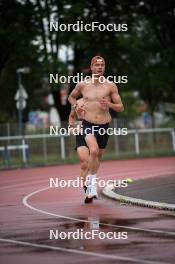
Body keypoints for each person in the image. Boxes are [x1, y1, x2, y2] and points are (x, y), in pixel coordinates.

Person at [68, 55, 124, 203]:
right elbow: (71, 97)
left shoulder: (110, 86)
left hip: (104, 126)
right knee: (92, 151)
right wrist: (76, 106)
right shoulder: (83, 85)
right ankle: (91, 188)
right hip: (88, 124)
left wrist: (110, 105)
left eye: (102, 65)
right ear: (91, 67)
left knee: (97, 158)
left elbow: (121, 107)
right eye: (97, 65)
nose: (100, 67)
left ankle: (90, 185)